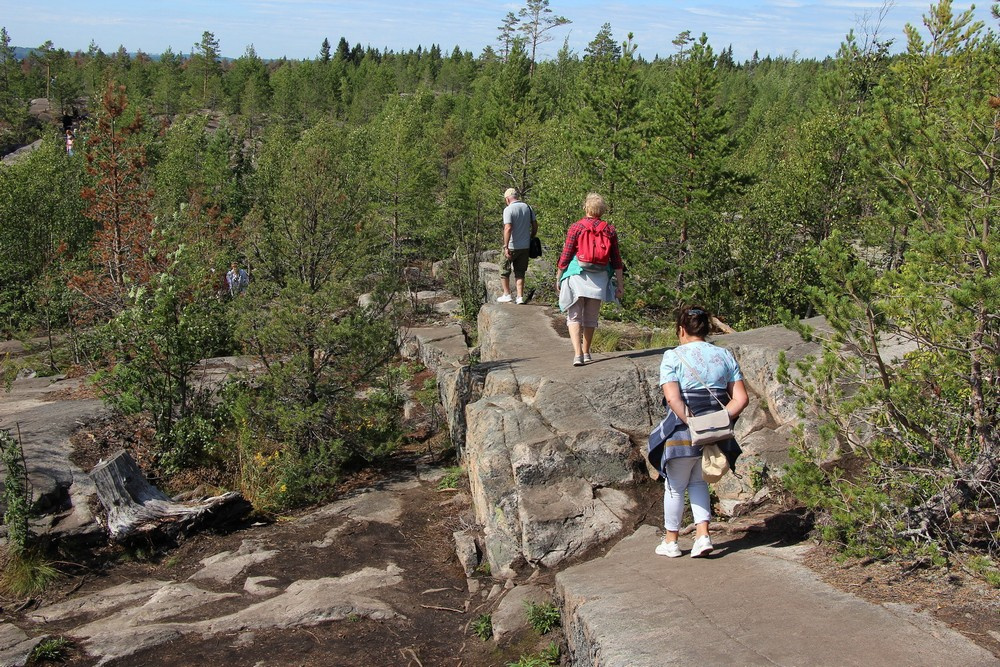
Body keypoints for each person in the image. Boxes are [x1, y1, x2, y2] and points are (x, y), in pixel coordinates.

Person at [650, 306, 748, 558]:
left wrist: (693, 423)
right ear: (707, 328)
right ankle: (703, 536)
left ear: (681, 330)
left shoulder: (672, 356)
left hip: (683, 430)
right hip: (715, 431)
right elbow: (741, 399)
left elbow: (673, 399)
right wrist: (717, 421)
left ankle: (671, 541)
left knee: (674, 486)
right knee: (699, 482)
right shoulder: (724, 355)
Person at [555, 193, 624, 366]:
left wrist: (559, 277)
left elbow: (566, 255)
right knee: (591, 317)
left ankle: (577, 354)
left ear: (586, 207)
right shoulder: (609, 230)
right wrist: (620, 285)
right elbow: (616, 260)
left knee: (574, 315)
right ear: (602, 210)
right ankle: (586, 352)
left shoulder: (576, 227)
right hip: (599, 278)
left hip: (578, 275)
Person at [497, 187, 537, 305]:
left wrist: (505, 246)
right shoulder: (528, 208)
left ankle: (507, 294)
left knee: (504, 269)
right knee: (520, 271)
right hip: (525, 246)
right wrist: (531, 237)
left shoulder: (508, 210)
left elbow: (508, 228)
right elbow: (535, 225)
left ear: (507, 199)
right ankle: (519, 297)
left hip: (512, 246)